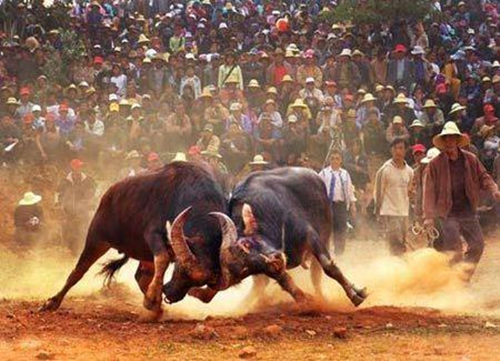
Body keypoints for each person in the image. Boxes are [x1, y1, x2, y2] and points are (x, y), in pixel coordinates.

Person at [423, 122, 500, 280]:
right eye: (447, 139)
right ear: (443, 142)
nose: (450, 141)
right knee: (454, 250)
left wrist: (494, 189)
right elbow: (428, 191)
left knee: (478, 246)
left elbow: (484, 177)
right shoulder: (434, 164)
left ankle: (462, 279)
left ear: (458, 141)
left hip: (467, 211)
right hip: (447, 213)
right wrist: (428, 216)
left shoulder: (470, 159)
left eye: (452, 138)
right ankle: (452, 283)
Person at [374, 138, 414, 255]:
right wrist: (379, 212)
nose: (398, 151)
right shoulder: (384, 170)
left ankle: (396, 266)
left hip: (404, 212)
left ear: (405, 150)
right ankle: (396, 268)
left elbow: (409, 192)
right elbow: (378, 192)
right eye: (395, 148)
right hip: (390, 211)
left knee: (402, 241)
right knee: (396, 242)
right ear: (391, 150)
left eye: (401, 148)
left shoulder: (410, 171)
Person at [319, 150, 357, 255]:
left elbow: (349, 190)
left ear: (341, 161)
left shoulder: (345, 174)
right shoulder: (323, 173)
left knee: (341, 229)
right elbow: (317, 188)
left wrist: (353, 205)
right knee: (326, 229)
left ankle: (339, 253)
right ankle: (325, 253)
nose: (335, 160)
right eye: (332, 158)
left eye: (337, 158)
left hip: (341, 205)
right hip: (327, 205)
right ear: (329, 160)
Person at [56, 159, 96, 255]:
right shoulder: (65, 181)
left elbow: (95, 191)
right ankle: (68, 247)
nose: (79, 169)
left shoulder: (88, 180)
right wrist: (57, 204)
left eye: (80, 167)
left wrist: (90, 200)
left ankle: (84, 247)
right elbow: (58, 193)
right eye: (77, 167)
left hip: (84, 208)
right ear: (72, 168)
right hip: (69, 209)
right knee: (69, 228)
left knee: (85, 227)